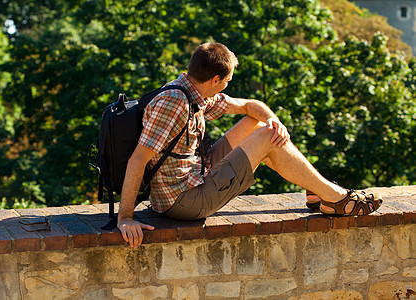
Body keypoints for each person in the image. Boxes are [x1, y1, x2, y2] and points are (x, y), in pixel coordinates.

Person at [117, 42, 382, 248]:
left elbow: (248, 106)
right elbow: (138, 159)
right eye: (227, 80)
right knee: (267, 138)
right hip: (183, 202)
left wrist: (274, 120)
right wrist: (126, 218)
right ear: (214, 80)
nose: (227, 85)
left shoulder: (192, 90)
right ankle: (336, 199)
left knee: (260, 126)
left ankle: (318, 192)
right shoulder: (174, 103)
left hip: (196, 174)